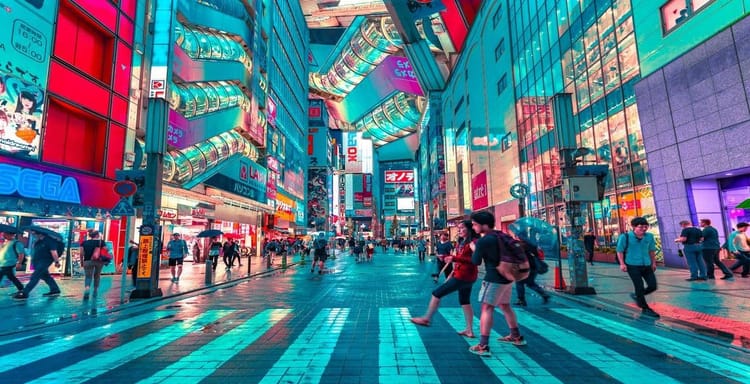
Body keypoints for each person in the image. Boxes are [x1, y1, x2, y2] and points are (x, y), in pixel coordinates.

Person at [469, 211, 527, 357]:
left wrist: (474, 249)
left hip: (494, 277)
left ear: (485, 225)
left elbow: (476, 261)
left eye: (475, 224)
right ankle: (516, 336)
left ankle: (483, 345)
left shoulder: (484, 241)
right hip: (508, 277)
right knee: (505, 306)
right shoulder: (501, 235)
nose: (473, 227)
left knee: (487, 308)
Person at [411, 220, 479, 337]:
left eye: (462, 228)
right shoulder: (462, 242)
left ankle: (426, 318)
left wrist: (454, 259)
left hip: (464, 276)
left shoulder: (472, 243)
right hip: (465, 275)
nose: (459, 230)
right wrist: (452, 262)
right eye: (459, 228)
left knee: (437, 293)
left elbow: (476, 260)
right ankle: (469, 330)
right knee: (465, 301)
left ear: (470, 229)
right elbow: (459, 259)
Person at [617, 217, 660, 317]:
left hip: (646, 264)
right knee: (639, 286)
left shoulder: (649, 236)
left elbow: (651, 250)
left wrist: (653, 262)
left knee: (653, 286)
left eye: (646, 227)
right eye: (640, 227)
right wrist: (622, 264)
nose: (644, 229)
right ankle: (645, 308)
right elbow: (619, 251)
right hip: (632, 265)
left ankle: (638, 296)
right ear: (633, 227)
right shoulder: (625, 237)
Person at [13, 231, 62, 299]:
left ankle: (25, 292)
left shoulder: (50, 241)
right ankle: (55, 289)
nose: (33, 235)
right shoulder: (38, 241)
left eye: (34, 233)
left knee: (35, 276)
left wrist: (57, 262)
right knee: (45, 276)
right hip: (37, 262)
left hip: (45, 261)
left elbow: (54, 252)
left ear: (40, 233)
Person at [514, 240, 550, 306]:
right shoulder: (532, 245)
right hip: (534, 267)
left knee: (519, 282)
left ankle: (521, 300)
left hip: (526, 267)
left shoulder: (522, 246)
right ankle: (544, 294)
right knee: (530, 283)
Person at [80, 230, 107, 300]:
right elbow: (105, 251)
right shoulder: (101, 242)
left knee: (88, 276)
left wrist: (81, 262)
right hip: (99, 261)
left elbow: (81, 253)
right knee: (97, 275)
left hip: (87, 260)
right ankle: (95, 290)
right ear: (97, 235)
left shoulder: (84, 243)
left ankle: (87, 288)